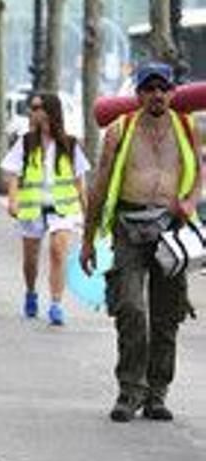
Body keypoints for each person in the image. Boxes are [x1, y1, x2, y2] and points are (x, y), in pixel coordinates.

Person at [81, 62, 202, 423]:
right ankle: (129, 390)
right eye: (149, 89)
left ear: (172, 92)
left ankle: (156, 394)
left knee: (167, 316)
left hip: (170, 232)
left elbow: (198, 172)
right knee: (131, 308)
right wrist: (88, 240)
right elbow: (99, 186)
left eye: (163, 88)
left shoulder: (186, 127)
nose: (157, 95)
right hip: (128, 229)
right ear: (138, 94)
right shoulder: (119, 131)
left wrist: (191, 201)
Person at [2, 92, 89, 325]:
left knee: (58, 251)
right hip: (32, 208)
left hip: (63, 209)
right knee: (30, 259)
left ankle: (56, 303)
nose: (33, 111)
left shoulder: (70, 144)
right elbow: (12, 172)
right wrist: (12, 200)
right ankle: (31, 292)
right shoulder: (26, 142)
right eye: (32, 107)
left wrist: (88, 211)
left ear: (51, 111)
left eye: (38, 107)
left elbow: (80, 181)